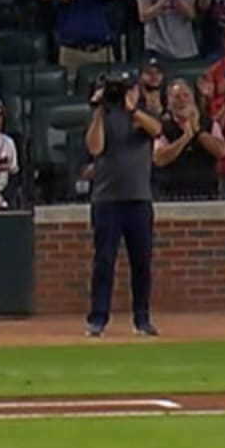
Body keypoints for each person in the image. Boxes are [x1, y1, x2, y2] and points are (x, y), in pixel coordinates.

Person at [82, 62, 162, 338]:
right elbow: (95, 147)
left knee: (141, 262)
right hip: (107, 200)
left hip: (138, 199)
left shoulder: (143, 115)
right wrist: (99, 109)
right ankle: (97, 318)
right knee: (104, 260)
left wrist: (133, 109)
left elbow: (156, 130)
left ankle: (142, 318)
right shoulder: (103, 116)